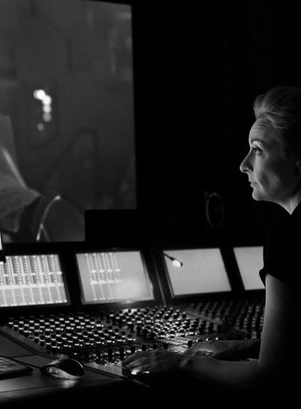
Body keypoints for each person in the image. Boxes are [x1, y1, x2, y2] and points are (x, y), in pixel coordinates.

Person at [123, 85, 301, 407]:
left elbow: (268, 378)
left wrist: (182, 363)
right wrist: (250, 346)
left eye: (258, 150)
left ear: (298, 162)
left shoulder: (290, 240)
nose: (244, 164)